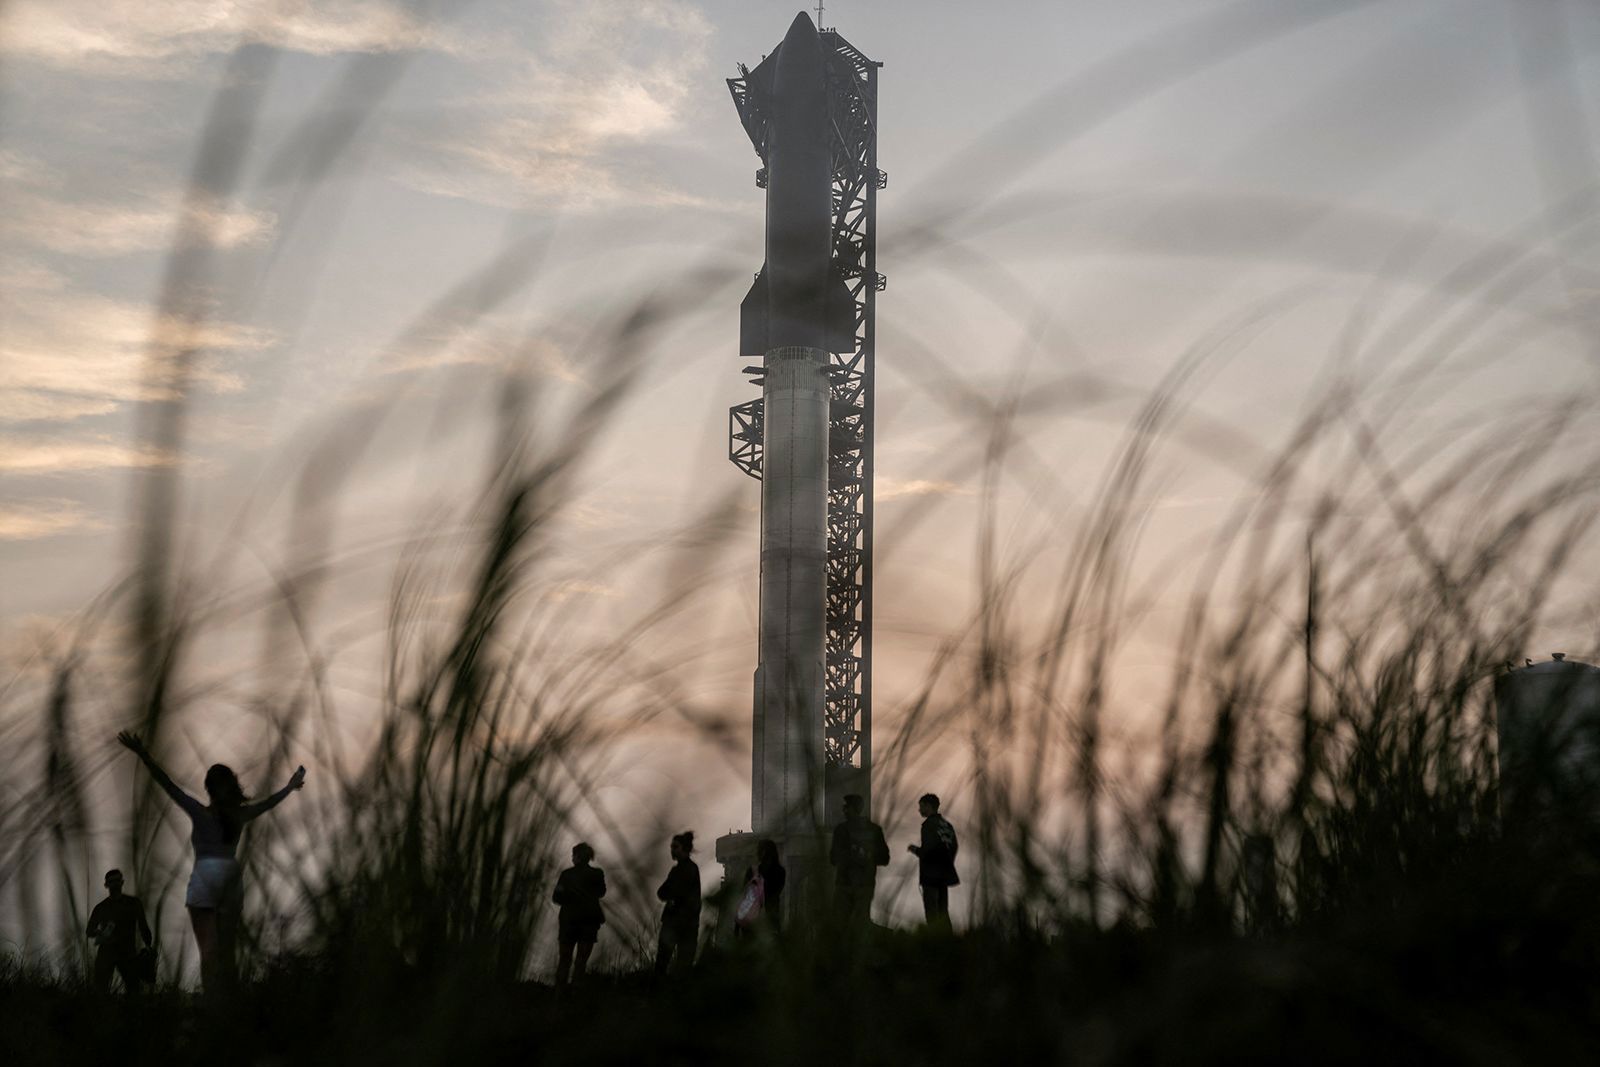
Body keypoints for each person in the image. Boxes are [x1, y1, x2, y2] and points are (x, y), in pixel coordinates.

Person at [117, 731, 305, 992]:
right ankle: (225, 1003)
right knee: (226, 951)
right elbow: (270, 803)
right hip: (229, 881)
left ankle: (211, 1002)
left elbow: (168, 784)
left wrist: (143, 754)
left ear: (209, 789)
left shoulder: (201, 812)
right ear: (232, 787)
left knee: (209, 951)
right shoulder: (240, 814)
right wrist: (290, 787)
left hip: (206, 881)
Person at [86, 869, 153, 993]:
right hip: (108, 952)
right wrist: (101, 933)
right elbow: (89, 931)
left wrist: (148, 946)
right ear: (106, 885)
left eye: (117, 881)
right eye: (112, 882)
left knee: (133, 990)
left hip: (127, 952)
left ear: (122, 882)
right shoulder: (102, 907)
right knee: (101, 990)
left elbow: (144, 927)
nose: (115, 884)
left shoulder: (133, 903)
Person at [829, 794, 888, 931]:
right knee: (861, 924)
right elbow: (884, 858)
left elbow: (833, 858)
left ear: (851, 808)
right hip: (865, 883)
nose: (843, 810)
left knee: (840, 924)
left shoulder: (842, 830)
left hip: (845, 883)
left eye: (846, 807)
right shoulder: (874, 830)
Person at [552, 842, 606, 988]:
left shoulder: (566, 875)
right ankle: (576, 996)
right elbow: (601, 892)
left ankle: (559, 996)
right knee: (581, 962)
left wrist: (569, 897)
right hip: (589, 922)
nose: (572, 858)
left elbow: (556, 897)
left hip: (568, 922)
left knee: (564, 960)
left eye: (573, 855)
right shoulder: (597, 874)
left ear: (578, 856)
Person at [907, 793, 959, 933]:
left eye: (921, 806)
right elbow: (954, 847)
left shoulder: (929, 824)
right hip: (944, 875)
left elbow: (927, 850)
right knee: (943, 912)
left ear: (928, 806)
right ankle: (948, 942)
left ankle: (935, 944)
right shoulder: (947, 826)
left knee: (932, 912)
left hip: (931, 876)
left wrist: (915, 850)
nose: (919, 810)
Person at [654, 831, 701, 976]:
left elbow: (666, 892)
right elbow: (662, 892)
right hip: (685, 922)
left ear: (684, 848)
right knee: (680, 963)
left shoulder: (685, 870)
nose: (672, 850)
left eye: (675, 847)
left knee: (666, 962)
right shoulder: (684, 869)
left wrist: (672, 897)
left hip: (679, 922)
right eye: (672, 847)